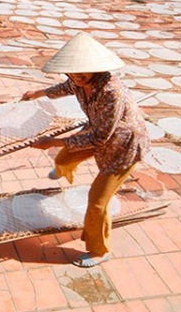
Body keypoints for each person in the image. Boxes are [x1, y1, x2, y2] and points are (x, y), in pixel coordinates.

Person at [21, 32, 149, 268]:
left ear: (96, 68)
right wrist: (36, 93)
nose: (76, 76)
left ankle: (100, 251)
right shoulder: (78, 78)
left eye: (82, 72)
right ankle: (62, 170)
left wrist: (52, 141)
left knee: (97, 202)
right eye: (72, 72)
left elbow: (100, 138)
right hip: (101, 132)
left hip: (122, 147)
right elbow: (65, 87)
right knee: (65, 156)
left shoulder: (112, 92)